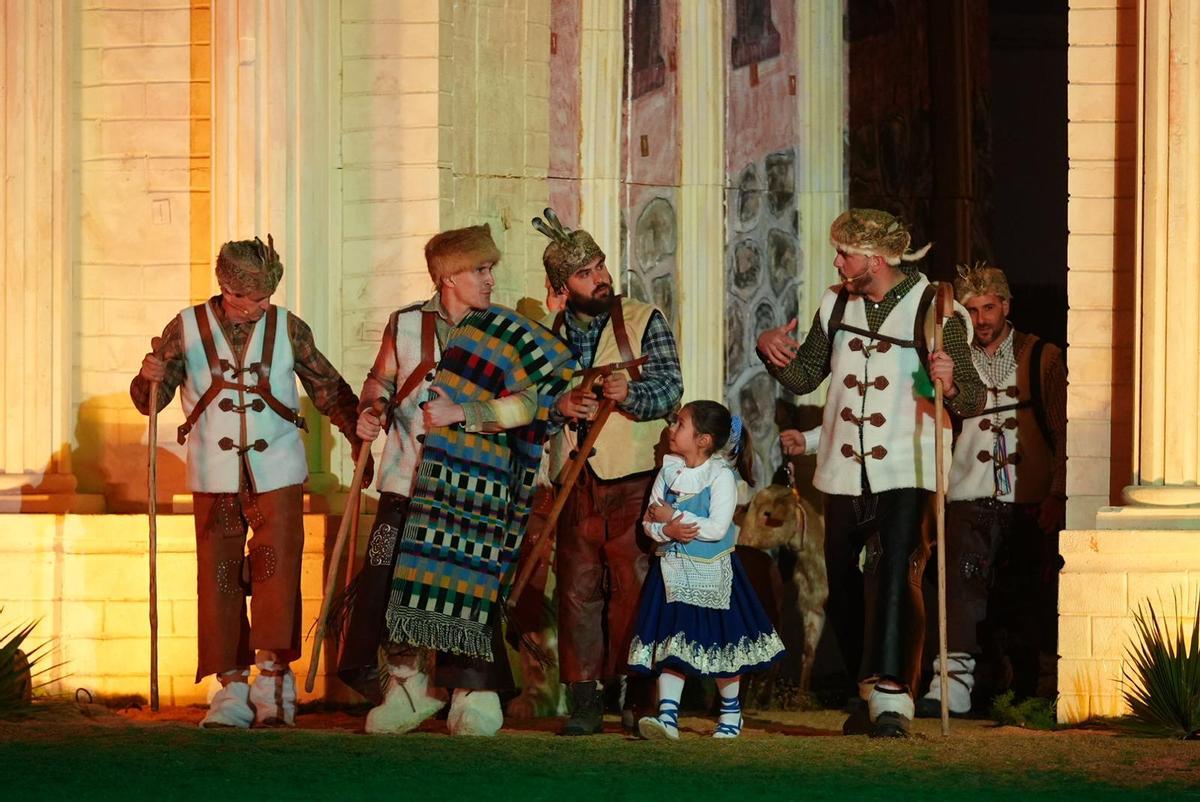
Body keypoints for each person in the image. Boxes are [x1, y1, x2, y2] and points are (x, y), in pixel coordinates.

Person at [336, 223, 574, 737]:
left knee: (468, 585)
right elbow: (381, 379)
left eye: (491, 269)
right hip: (406, 478)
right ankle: (408, 686)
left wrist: (466, 412)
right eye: (481, 270)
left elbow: (535, 403)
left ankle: (472, 690)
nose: (491, 280)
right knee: (386, 578)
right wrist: (371, 408)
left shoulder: (508, 332)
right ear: (448, 277)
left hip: (475, 486)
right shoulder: (403, 325)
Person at [756, 208, 985, 737]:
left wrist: (949, 383)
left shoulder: (938, 308)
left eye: (846, 253)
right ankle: (868, 688)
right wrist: (770, 349)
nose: (837, 262)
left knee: (896, 573)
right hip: (843, 470)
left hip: (909, 466)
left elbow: (970, 397)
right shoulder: (836, 302)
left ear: (876, 260)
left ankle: (892, 696)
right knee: (841, 576)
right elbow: (806, 374)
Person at [130, 236, 364, 728]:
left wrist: (355, 429)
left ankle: (273, 677)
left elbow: (328, 385)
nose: (263, 307)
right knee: (218, 573)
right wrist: (147, 376)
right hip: (214, 473)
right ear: (227, 289)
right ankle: (230, 685)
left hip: (276, 467)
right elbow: (152, 398)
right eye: (254, 299)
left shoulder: (287, 327)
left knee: (277, 566)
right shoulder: (187, 327)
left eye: (266, 297)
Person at [530, 209, 684, 735]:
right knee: (576, 589)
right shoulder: (546, 334)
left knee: (634, 585)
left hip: (633, 478)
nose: (600, 277)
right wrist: (560, 405)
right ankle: (583, 698)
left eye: (599, 266)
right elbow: (530, 398)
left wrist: (630, 394)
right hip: (574, 482)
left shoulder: (645, 319)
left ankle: (636, 692)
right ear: (561, 286)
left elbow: (670, 388)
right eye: (585, 273)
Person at [916, 262, 1066, 717]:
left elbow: (1064, 433)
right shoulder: (950, 355)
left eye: (988, 308)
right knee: (961, 591)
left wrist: (1057, 495)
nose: (981, 319)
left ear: (1005, 305)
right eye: (972, 310)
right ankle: (954, 686)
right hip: (966, 493)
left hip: (1027, 496)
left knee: (1023, 595)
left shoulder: (1043, 357)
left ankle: (1025, 687)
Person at [628, 400, 786, 740]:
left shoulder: (720, 476)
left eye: (679, 424)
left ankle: (731, 713)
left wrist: (676, 518)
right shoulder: (668, 470)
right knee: (674, 640)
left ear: (704, 439)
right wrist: (664, 531)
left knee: (721, 643)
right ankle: (667, 716)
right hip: (671, 570)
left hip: (714, 573)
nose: (671, 428)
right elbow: (649, 521)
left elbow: (717, 528)